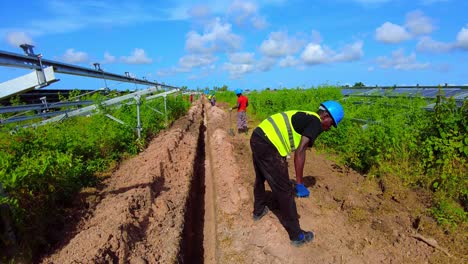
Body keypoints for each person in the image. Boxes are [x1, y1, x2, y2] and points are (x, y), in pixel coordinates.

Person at [249, 101, 344, 246]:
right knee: (285, 190)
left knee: (261, 177)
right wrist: (299, 183)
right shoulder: (316, 122)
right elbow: (300, 151)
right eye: (331, 123)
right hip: (269, 144)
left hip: (258, 136)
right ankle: (297, 235)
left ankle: (259, 210)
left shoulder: (307, 116)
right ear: (325, 116)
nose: (329, 128)